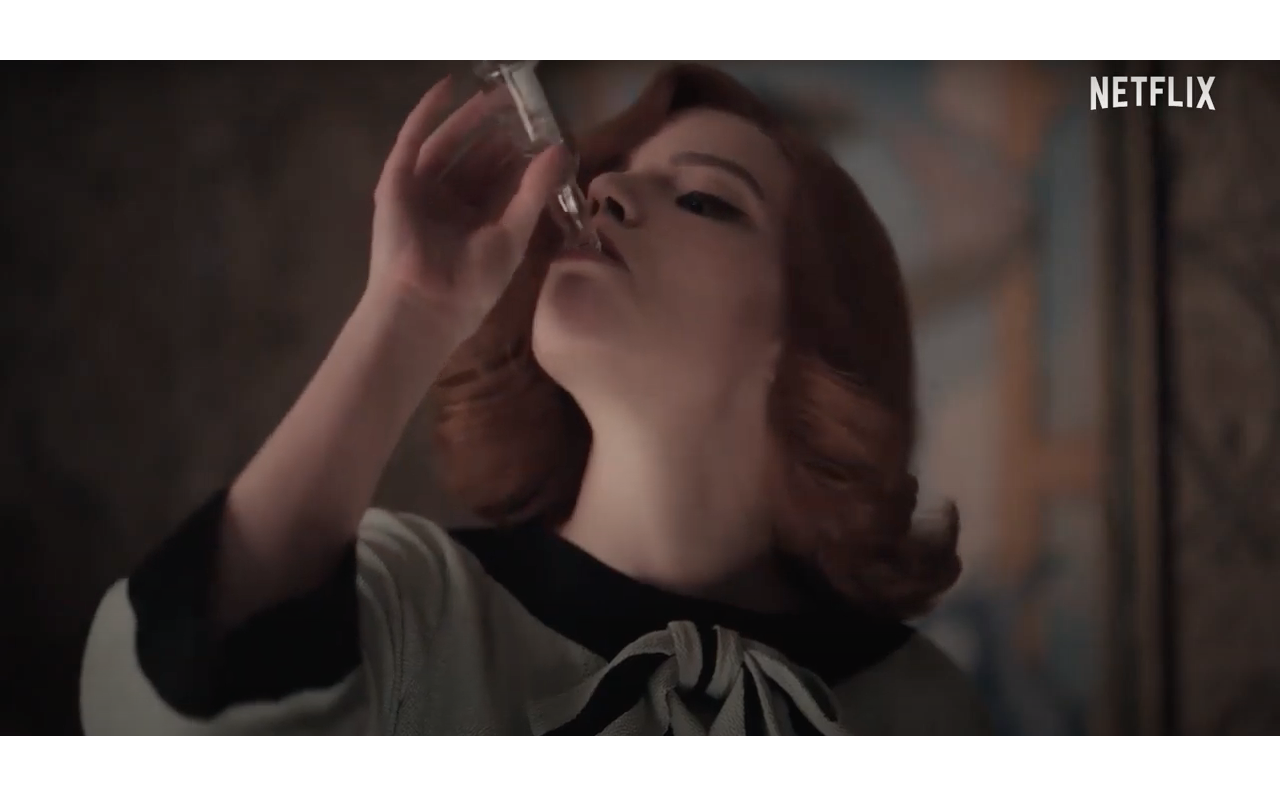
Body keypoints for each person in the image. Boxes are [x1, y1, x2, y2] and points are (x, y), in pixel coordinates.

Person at [80, 63, 992, 736]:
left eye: (705, 200)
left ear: (813, 340)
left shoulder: (922, 707)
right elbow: (155, 711)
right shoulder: (411, 606)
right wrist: (406, 311)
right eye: (608, 173)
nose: (606, 190)